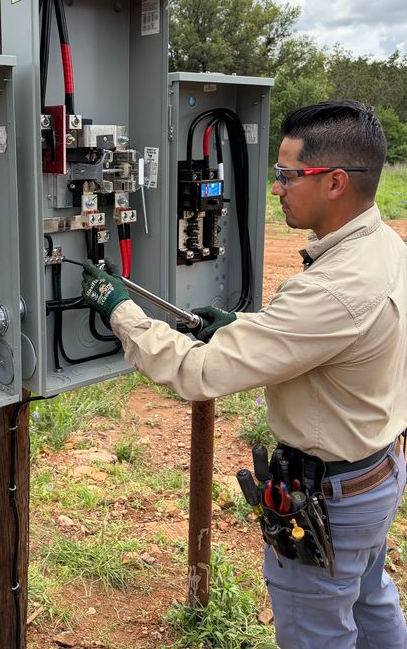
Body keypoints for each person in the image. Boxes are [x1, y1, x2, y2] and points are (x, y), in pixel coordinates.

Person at [82, 100, 407, 649]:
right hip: (377, 474)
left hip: (332, 495)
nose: (275, 188)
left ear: (333, 183)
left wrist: (118, 309)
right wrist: (243, 325)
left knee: (318, 633)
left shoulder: (330, 290)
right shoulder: (383, 245)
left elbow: (197, 372)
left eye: (286, 175)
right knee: (373, 603)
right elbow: (325, 339)